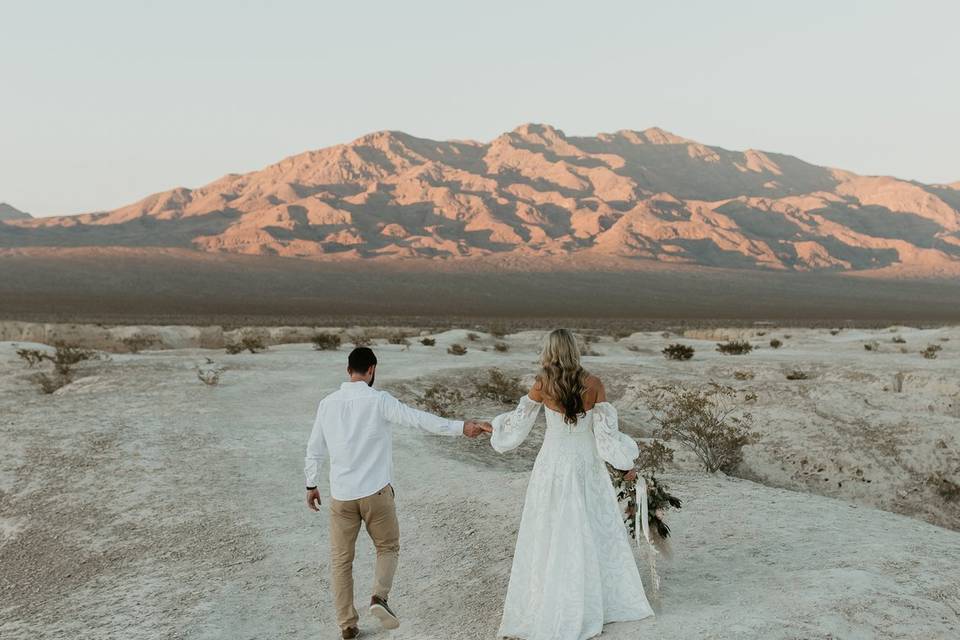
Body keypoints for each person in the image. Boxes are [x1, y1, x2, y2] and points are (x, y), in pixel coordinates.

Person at [304, 346, 492, 639]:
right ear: (372, 370)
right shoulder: (379, 401)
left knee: (341, 560)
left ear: (348, 370)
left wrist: (311, 484)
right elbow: (418, 419)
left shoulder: (327, 403)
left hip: (342, 496)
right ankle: (379, 597)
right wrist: (461, 427)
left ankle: (347, 624)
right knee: (388, 547)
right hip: (376, 494)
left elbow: (315, 448)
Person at [490, 329, 654, 640]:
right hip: (585, 465)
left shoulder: (542, 384)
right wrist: (626, 465)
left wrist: (495, 429)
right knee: (590, 528)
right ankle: (596, 600)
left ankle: (549, 599)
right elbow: (605, 438)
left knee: (550, 529)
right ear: (574, 349)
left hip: (552, 466)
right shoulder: (594, 383)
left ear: (549, 351)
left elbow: (517, 425)